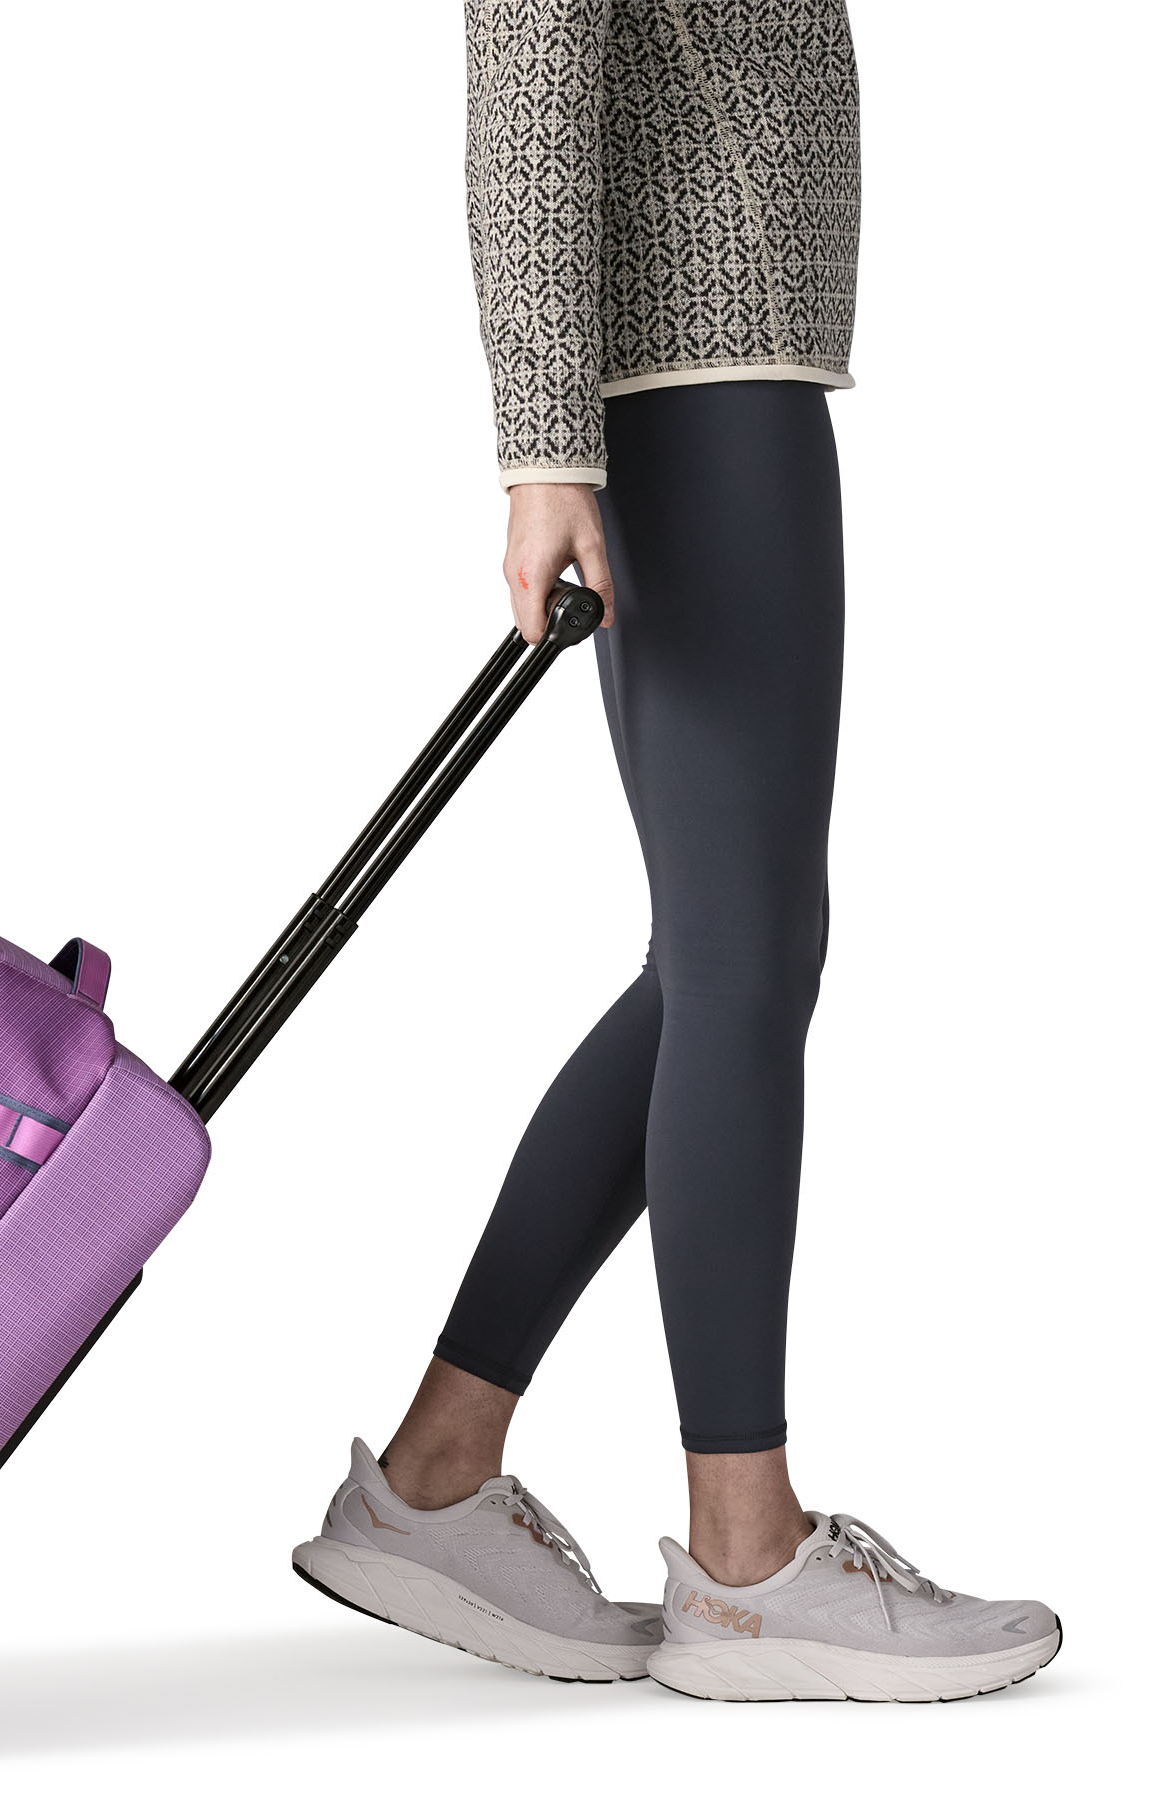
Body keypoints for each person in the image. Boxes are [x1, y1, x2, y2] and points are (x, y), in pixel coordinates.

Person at [291, 0, 1059, 1702]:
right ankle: (748, 1560)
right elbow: (532, 68)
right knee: (741, 961)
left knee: (726, 958)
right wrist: (544, 449)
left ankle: (436, 1475)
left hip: (716, 358)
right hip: (684, 368)